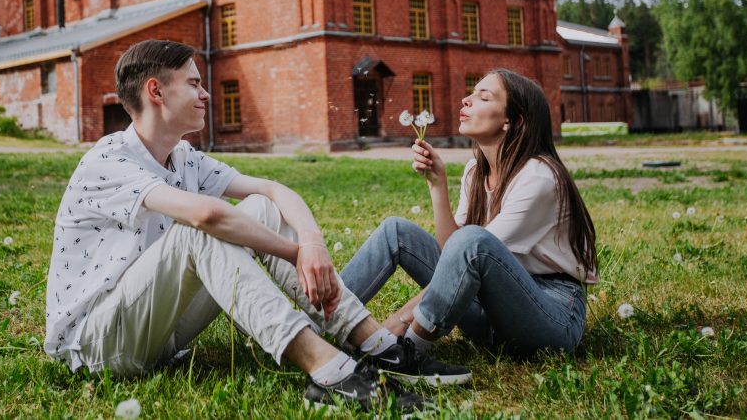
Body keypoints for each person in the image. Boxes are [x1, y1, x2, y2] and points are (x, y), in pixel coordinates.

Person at [43, 40, 467, 413]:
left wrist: (313, 243)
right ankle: (329, 371)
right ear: (155, 90)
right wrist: (295, 252)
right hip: (97, 344)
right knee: (200, 231)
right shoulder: (107, 160)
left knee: (260, 206)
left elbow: (273, 189)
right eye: (193, 83)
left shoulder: (183, 156)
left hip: (158, 331)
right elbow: (207, 217)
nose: (205, 93)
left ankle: (379, 347)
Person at [341, 69, 599, 367]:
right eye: (472, 93)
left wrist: (392, 328)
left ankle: (403, 352)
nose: (466, 99)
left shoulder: (540, 178)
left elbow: (468, 251)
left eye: (483, 96)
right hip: (490, 306)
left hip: (550, 316)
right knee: (395, 231)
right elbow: (452, 253)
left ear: (512, 121)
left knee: (473, 240)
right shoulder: (476, 172)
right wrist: (437, 184)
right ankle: (322, 320)